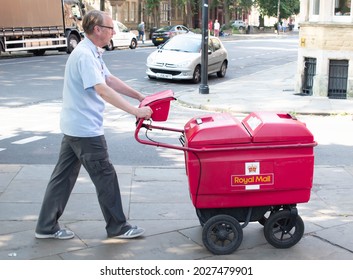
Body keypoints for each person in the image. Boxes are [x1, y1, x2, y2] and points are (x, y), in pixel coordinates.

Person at [34, 10, 153, 240]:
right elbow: (102, 89)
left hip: (74, 127)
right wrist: (135, 111)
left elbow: (109, 79)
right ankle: (118, 226)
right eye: (110, 28)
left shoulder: (92, 53)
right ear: (97, 29)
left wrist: (138, 95)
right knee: (105, 176)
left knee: (63, 177)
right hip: (85, 130)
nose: (114, 32)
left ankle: (46, 226)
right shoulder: (84, 56)